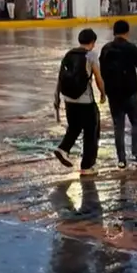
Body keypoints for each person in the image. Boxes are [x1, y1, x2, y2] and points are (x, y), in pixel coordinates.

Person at [99, 20, 137, 168]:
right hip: (130, 93)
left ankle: (121, 159)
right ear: (127, 32)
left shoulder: (105, 49)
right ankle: (136, 154)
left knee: (118, 126)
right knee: (136, 123)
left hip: (113, 95)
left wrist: (105, 91)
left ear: (114, 32)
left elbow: (102, 72)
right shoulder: (130, 48)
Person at [53, 29, 106, 176]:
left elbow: (60, 78)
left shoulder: (69, 54)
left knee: (74, 127)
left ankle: (63, 149)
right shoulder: (91, 55)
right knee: (91, 132)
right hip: (85, 101)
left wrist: (57, 98)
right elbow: (98, 78)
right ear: (92, 42)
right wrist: (103, 93)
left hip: (69, 99)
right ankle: (87, 166)